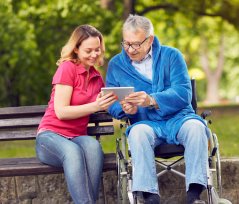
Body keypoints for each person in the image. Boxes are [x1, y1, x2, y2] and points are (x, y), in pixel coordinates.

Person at [106, 14, 209, 204]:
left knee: (197, 128)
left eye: (136, 44)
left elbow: (183, 93)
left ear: (150, 40)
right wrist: (123, 110)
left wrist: (152, 100)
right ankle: (150, 197)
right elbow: (110, 100)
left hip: (180, 118)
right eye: (126, 44)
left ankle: (194, 195)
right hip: (145, 123)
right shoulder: (116, 65)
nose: (130, 50)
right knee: (137, 133)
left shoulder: (172, 56)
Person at [36, 25, 117, 204]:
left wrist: (116, 102)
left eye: (97, 49)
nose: (94, 54)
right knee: (73, 153)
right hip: (50, 137)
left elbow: (101, 105)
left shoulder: (96, 76)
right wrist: (95, 105)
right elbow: (61, 112)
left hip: (77, 137)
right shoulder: (67, 68)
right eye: (88, 50)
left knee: (94, 148)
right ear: (76, 48)